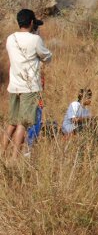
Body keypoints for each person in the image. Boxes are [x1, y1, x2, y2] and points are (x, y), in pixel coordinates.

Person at [2, 9, 52, 158]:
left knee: (12, 123)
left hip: (14, 86)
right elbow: (47, 57)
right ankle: (14, 158)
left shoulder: (10, 39)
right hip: (29, 87)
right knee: (23, 124)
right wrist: (37, 37)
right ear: (31, 23)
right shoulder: (35, 40)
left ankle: (1, 152)